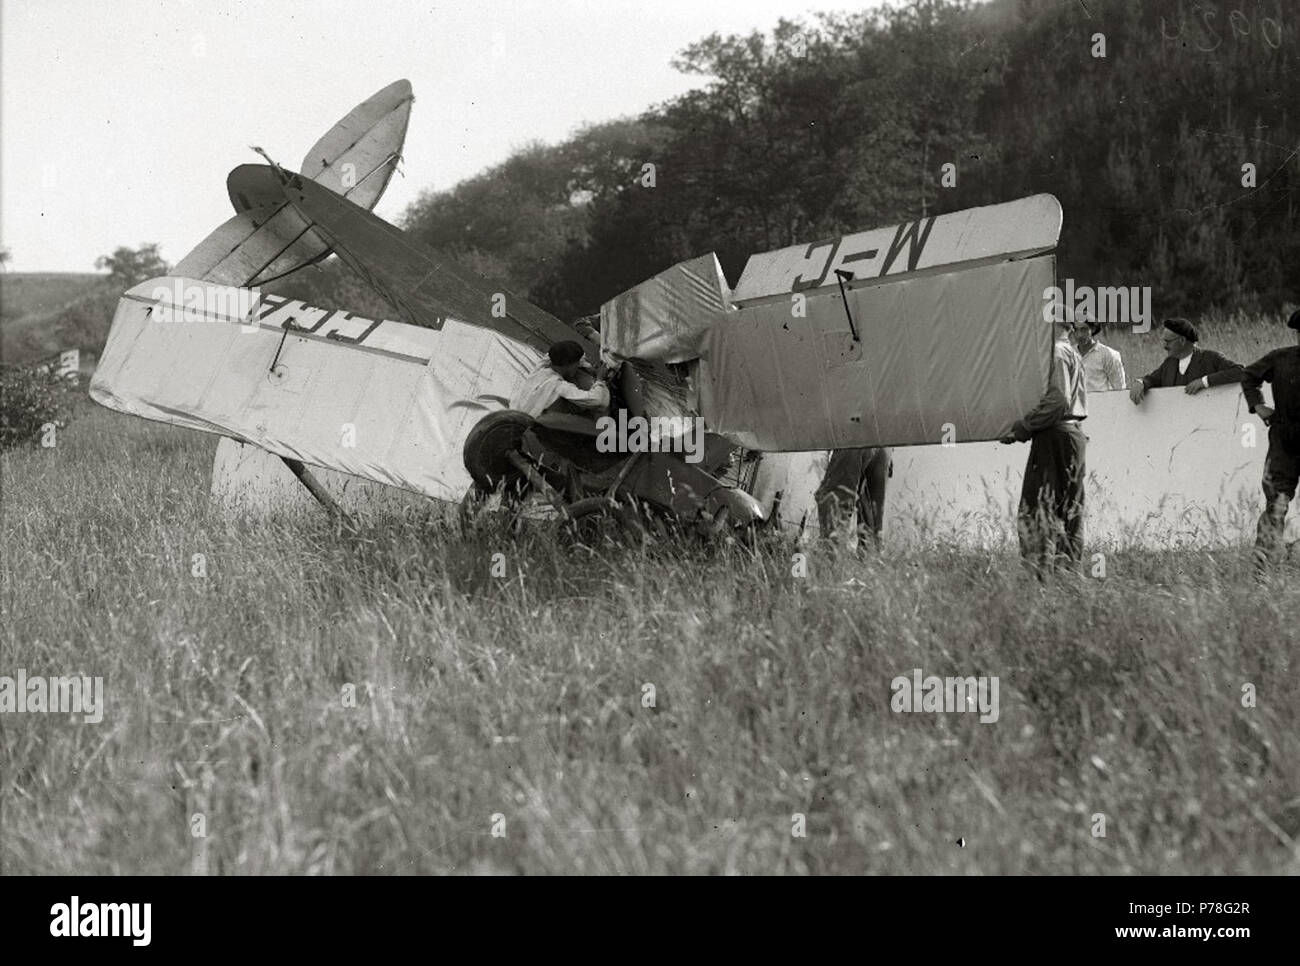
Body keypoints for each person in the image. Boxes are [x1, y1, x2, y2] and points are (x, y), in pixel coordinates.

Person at [1000, 313, 1088, 572]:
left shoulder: (1056, 352)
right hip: (1072, 435)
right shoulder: (1072, 352)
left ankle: (1039, 574)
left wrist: (1024, 427)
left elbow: (1058, 401)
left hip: (1054, 436)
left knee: (1036, 507)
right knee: (1069, 509)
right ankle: (1067, 573)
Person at [1241, 309, 1300, 574]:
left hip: (1285, 441)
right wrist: (1258, 405)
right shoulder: (1281, 358)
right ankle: (1260, 569)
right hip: (1284, 443)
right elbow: (1249, 375)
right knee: (1276, 503)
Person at [1129, 318, 1243, 403]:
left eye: (1168, 342)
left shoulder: (1211, 358)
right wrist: (1141, 382)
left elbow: (1241, 372)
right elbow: (1152, 379)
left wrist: (1204, 382)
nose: (1164, 346)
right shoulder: (1169, 363)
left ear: (1182, 340)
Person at [510, 340, 610, 418]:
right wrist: (599, 379)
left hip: (513, 414)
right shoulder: (557, 386)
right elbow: (597, 400)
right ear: (568, 365)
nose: (577, 367)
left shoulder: (541, 368)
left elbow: (549, 355)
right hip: (528, 424)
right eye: (576, 364)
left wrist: (587, 367)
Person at [814, 447, 892, 546]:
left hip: (852, 441)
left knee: (834, 503)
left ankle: (832, 556)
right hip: (883, 443)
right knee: (872, 523)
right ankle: (870, 558)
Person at [1071, 309, 1126, 391]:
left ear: (1092, 329)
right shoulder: (1069, 353)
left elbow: (1120, 389)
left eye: (1084, 329)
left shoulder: (1108, 354)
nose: (1079, 335)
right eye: (1076, 330)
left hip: (1101, 402)